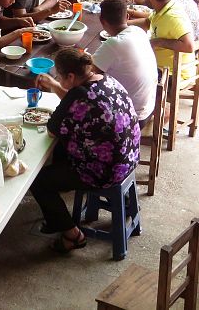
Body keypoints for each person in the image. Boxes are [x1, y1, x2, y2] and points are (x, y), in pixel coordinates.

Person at [30, 48, 141, 253]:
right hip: (130, 156)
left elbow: (53, 130)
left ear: (70, 76)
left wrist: (57, 91)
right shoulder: (107, 80)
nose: (57, 78)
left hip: (105, 171)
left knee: (38, 181)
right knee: (62, 151)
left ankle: (72, 235)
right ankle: (57, 215)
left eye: (59, 76)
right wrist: (55, 86)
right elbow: (83, 103)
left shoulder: (77, 95)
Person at [92, 0, 158, 126]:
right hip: (149, 108)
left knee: (83, 94)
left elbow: (88, 72)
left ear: (102, 21)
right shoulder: (139, 31)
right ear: (127, 17)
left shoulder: (113, 44)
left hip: (132, 117)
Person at [127, 0, 195, 80]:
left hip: (173, 75)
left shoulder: (173, 16)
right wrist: (123, 24)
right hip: (161, 68)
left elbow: (189, 46)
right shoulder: (163, 8)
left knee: (127, 73)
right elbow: (147, 22)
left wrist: (158, 42)